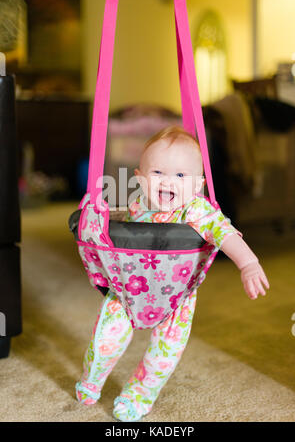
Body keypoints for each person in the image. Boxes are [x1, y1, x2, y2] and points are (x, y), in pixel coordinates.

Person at [75, 126, 270, 422]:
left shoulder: (196, 211)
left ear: (198, 185)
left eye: (180, 176)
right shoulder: (138, 204)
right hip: (127, 291)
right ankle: (92, 379)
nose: (168, 182)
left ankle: (138, 396)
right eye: (158, 173)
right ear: (139, 178)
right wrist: (97, 212)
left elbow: (225, 233)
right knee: (104, 340)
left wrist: (249, 263)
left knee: (163, 358)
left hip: (176, 301)